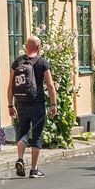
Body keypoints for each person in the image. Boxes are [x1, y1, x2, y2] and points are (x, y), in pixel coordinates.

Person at [7, 35, 57, 179]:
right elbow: (51, 85)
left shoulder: (17, 63)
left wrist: (10, 105)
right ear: (39, 47)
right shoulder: (42, 63)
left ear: (26, 46)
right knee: (37, 135)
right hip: (38, 103)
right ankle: (34, 169)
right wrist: (54, 104)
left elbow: (10, 86)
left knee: (23, 132)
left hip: (21, 103)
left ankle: (20, 158)